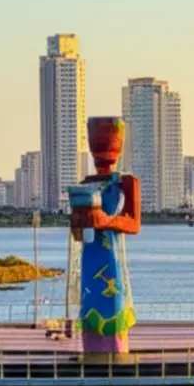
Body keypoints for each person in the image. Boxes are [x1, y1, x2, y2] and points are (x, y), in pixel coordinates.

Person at [68, 117, 142, 355]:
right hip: (90, 257)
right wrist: (79, 222)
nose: (103, 148)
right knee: (90, 302)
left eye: (109, 141)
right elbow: (77, 234)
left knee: (113, 301)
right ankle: (93, 351)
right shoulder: (85, 184)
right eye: (98, 142)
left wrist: (106, 220)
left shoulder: (126, 182)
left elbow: (134, 223)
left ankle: (115, 351)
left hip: (111, 255)